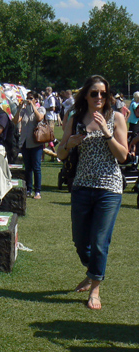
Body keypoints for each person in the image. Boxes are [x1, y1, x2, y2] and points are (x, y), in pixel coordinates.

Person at [56, 75, 128, 310]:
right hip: (82, 186)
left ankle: (95, 288)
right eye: (94, 93)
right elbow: (60, 154)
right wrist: (70, 143)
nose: (99, 97)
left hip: (109, 188)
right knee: (80, 241)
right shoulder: (75, 118)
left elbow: (122, 156)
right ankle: (92, 270)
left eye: (103, 93)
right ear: (85, 95)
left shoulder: (116, 118)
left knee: (99, 241)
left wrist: (106, 134)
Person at [14, 91, 45, 199]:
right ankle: (28, 189)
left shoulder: (41, 109)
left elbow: (39, 118)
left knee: (36, 167)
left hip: (36, 143)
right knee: (28, 168)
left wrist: (33, 105)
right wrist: (19, 108)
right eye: (28, 98)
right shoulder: (23, 111)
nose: (29, 99)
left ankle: (38, 191)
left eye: (31, 98)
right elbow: (15, 121)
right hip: (25, 143)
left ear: (36, 99)